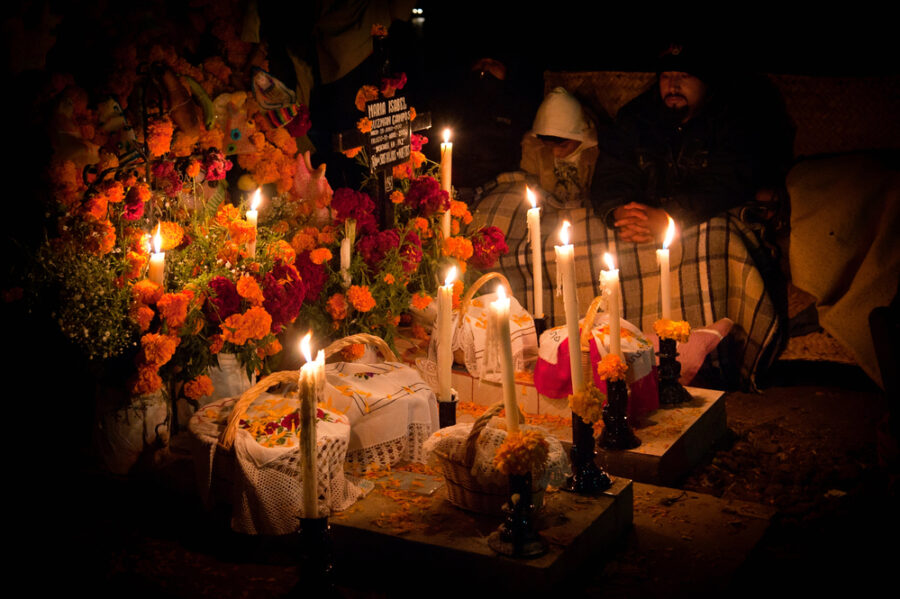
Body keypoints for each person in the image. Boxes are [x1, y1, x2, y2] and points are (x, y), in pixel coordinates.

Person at [592, 44, 760, 243]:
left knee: (722, 232)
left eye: (684, 76)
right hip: (639, 223)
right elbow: (612, 170)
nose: (673, 86)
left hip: (696, 220)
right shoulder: (635, 117)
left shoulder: (729, 119)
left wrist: (669, 217)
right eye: (666, 76)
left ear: (705, 82)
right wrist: (621, 212)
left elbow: (727, 181)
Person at [521, 87, 599, 206]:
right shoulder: (533, 147)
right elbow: (528, 181)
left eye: (564, 146)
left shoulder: (595, 152)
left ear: (579, 137)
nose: (556, 153)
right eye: (549, 146)